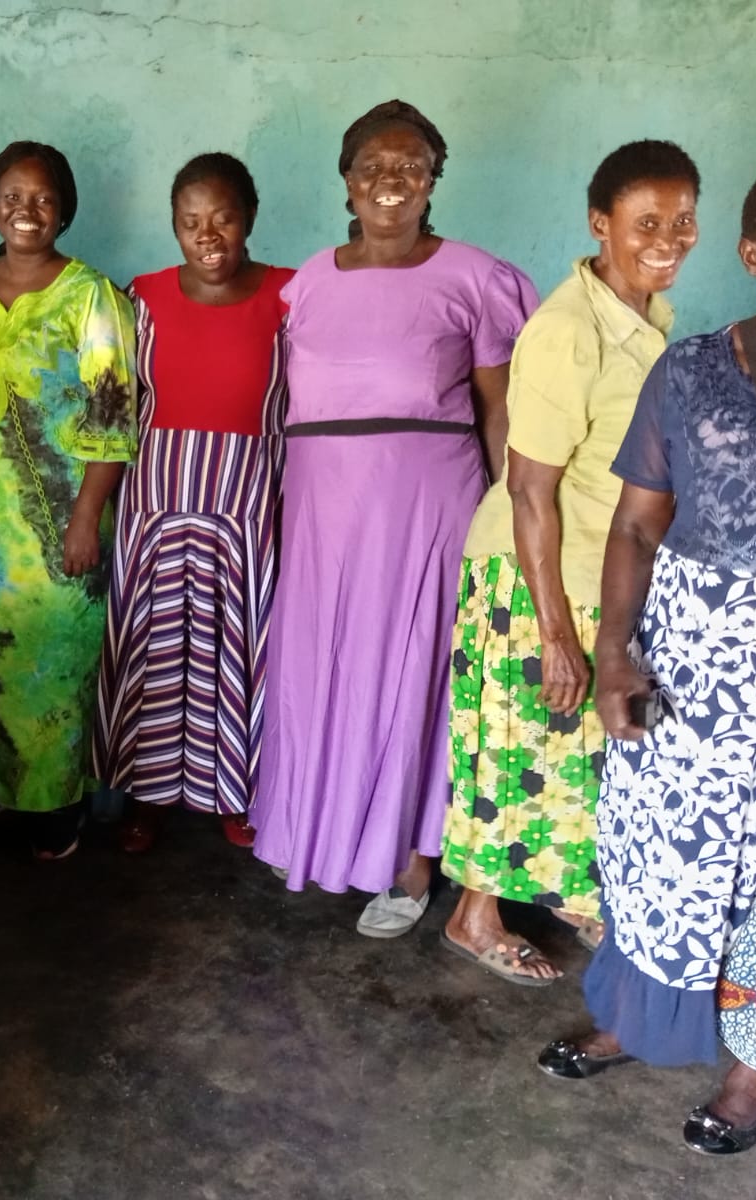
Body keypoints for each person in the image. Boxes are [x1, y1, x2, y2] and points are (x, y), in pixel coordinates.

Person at [537, 156, 756, 1156]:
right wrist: (610, 652)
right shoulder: (687, 369)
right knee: (659, 856)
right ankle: (637, 1022)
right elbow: (637, 529)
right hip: (681, 656)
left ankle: (750, 1063)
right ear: (751, 252)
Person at [251, 100, 537, 932]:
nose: (391, 182)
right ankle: (323, 835)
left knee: (412, 676)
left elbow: (500, 411)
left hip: (426, 508)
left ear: (433, 180)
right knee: (326, 670)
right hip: (320, 509)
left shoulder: (476, 278)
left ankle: (411, 867)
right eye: (373, 166)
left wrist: (511, 511)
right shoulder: (305, 282)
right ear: (346, 180)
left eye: (411, 166)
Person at [442, 142, 701, 985]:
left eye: (684, 219)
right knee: (518, 746)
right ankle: (474, 918)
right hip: (536, 575)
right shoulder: (567, 331)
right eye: (647, 222)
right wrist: (554, 631)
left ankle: (568, 893)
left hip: (601, 573)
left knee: (576, 751)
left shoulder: (647, 321)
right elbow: (528, 492)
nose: (670, 238)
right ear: (602, 224)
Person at [0, 141, 137, 859]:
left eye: (44, 197)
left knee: (50, 661)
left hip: (60, 519)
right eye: (13, 195)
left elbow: (113, 414)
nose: (27, 210)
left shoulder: (91, 296)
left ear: (65, 210)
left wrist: (88, 515)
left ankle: (53, 801)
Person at [94, 153, 294, 853]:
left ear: (249, 220)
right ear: (173, 228)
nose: (208, 235)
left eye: (224, 219)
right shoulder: (140, 296)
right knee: (154, 647)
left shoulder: (289, 294)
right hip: (157, 499)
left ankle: (232, 797)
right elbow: (112, 408)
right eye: (190, 222)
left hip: (245, 501)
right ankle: (146, 797)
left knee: (236, 650)